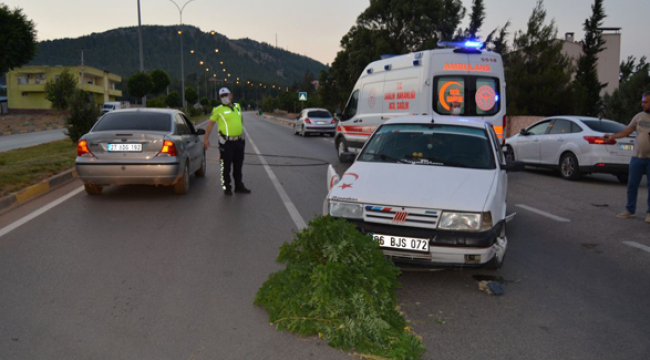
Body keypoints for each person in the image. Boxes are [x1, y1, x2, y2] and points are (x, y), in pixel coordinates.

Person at [604, 91, 650, 223]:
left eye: (646, 102)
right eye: (642, 101)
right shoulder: (639, 117)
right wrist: (612, 136)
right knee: (632, 184)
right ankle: (630, 210)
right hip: (637, 157)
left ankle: (649, 213)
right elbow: (627, 131)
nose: (643, 104)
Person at [204, 87, 251, 196]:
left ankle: (239, 186)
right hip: (226, 142)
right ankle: (227, 187)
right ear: (220, 98)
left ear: (231, 95)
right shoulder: (218, 109)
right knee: (226, 166)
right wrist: (206, 139)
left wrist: (240, 131)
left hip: (239, 141)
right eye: (222, 96)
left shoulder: (237, 106)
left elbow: (241, 120)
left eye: (226, 95)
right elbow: (210, 124)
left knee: (238, 165)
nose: (225, 97)